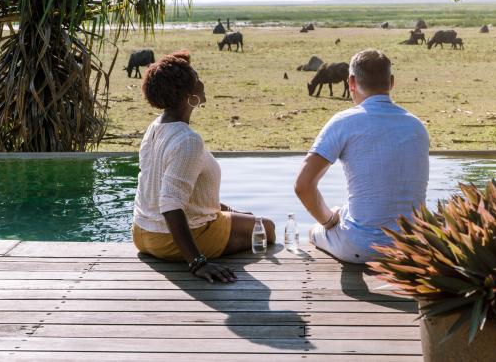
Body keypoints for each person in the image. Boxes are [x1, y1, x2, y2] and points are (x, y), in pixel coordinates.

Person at [132, 50, 276, 282]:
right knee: (266, 229)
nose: (202, 83)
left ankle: (223, 222)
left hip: (142, 233)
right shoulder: (187, 140)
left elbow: (173, 191)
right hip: (169, 240)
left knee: (246, 218)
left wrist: (227, 210)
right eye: (197, 80)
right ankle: (201, 250)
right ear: (188, 95)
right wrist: (198, 262)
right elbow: (170, 204)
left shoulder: (155, 127)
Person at [294, 49, 429, 263]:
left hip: (362, 248)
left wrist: (328, 222)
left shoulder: (344, 121)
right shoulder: (416, 125)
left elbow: (303, 185)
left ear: (351, 82)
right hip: (412, 245)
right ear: (391, 82)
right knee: (343, 210)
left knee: (315, 230)